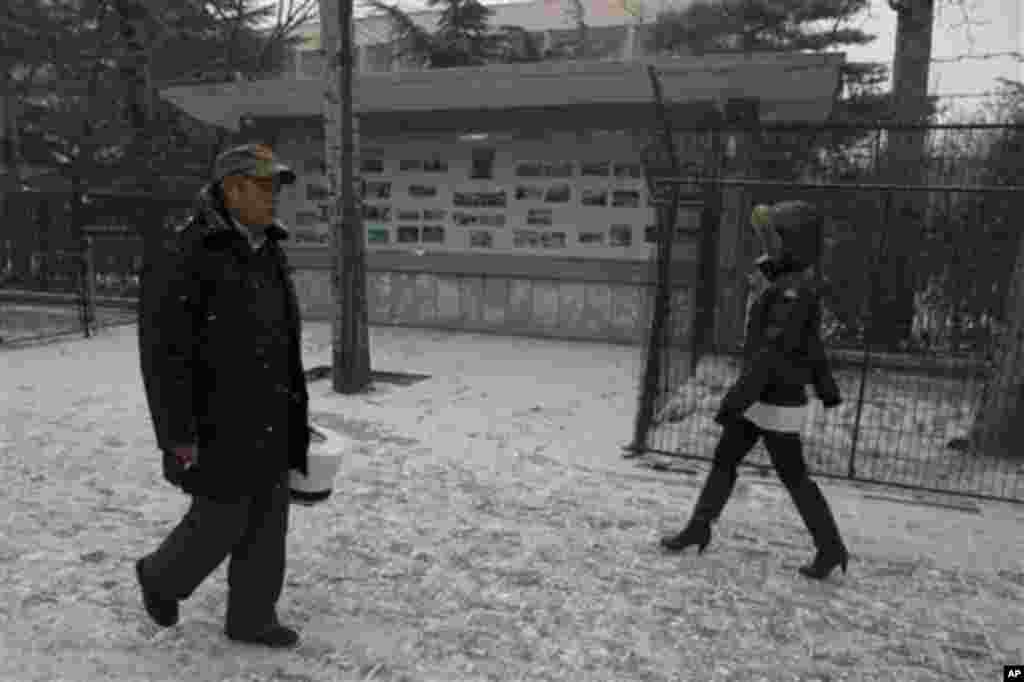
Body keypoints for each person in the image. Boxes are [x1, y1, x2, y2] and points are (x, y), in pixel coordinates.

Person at [135, 143, 311, 647]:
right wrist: (177, 435)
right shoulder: (188, 251)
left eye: (275, 188)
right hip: (215, 418)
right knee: (221, 519)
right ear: (232, 190)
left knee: (268, 523)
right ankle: (161, 577)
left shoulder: (268, 249)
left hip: (271, 410)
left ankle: (253, 617)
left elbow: (285, 338)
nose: (273, 198)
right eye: (263, 187)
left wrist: (298, 411)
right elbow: (162, 354)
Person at [660, 200, 849, 581]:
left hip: (772, 399)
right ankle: (700, 526)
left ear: (791, 246)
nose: (766, 248)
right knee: (726, 461)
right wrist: (826, 388)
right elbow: (810, 346)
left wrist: (736, 400)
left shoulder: (791, 294)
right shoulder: (786, 287)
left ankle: (830, 547)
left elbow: (771, 354)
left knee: (792, 476)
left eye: (773, 239)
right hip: (764, 396)